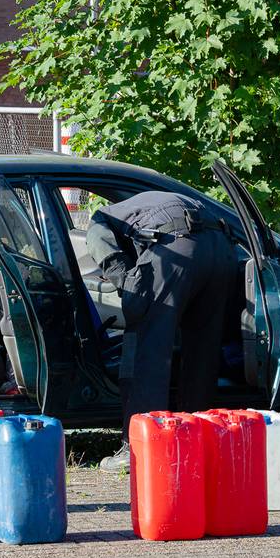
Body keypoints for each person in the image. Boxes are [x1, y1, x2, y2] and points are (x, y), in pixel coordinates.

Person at [86, 191, 232, 473]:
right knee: (203, 352)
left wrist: (127, 281)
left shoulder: (103, 216)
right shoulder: (150, 202)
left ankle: (138, 448)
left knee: (146, 350)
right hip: (221, 251)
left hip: (176, 249)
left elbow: (99, 239)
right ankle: (194, 439)